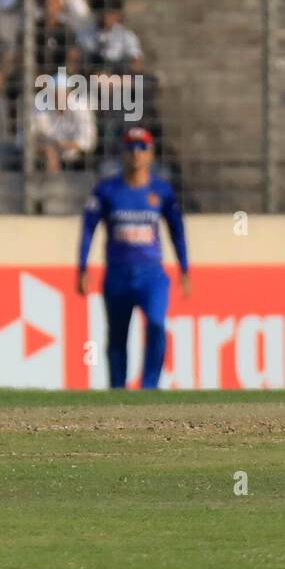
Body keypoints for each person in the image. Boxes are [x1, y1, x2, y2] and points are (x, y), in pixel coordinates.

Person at [78, 127, 190, 390]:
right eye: (130, 148)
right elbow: (88, 229)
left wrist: (185, 269)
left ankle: (149, 387)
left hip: (151, 274)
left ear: (151, 154)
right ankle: (118, 390)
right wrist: (82, 267)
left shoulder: (161, 191)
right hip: (117, 273)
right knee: (117, 336)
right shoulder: (107, 190)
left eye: (142, 148)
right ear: (123, 154)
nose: (136, 154)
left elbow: (178, 231)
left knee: (156, 326)